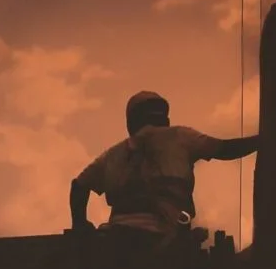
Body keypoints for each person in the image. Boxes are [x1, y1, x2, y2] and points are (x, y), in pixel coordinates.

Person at [69, 90, 259, 246]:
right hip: (164, 238)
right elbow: (225, 150)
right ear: (165, 118)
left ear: (130, 122)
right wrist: (262, 140)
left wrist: (80, 224)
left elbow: (78, 186)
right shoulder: (181, 137)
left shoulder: (112, 155)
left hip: (116, 238)